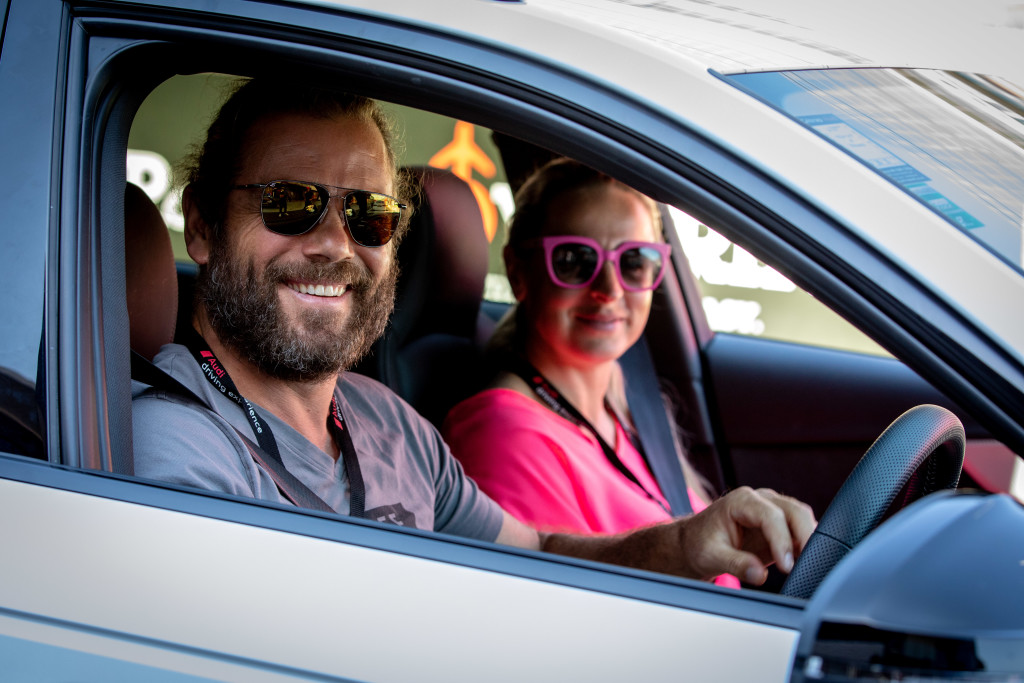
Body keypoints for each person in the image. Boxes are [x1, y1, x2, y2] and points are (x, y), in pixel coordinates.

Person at [131, 77, 814, 586]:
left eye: (369, 214)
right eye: (290, 203)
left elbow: (538, 555)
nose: (335, 243)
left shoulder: (390, 423)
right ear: (203, 226)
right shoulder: (179, 446)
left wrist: (684, 547)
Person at [442, 159, 751, 586]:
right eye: (574, 260)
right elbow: (549, 602)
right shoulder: (503, 432)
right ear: (518, 272)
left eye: (634, 261)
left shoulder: (622, 402)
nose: (609, 289)